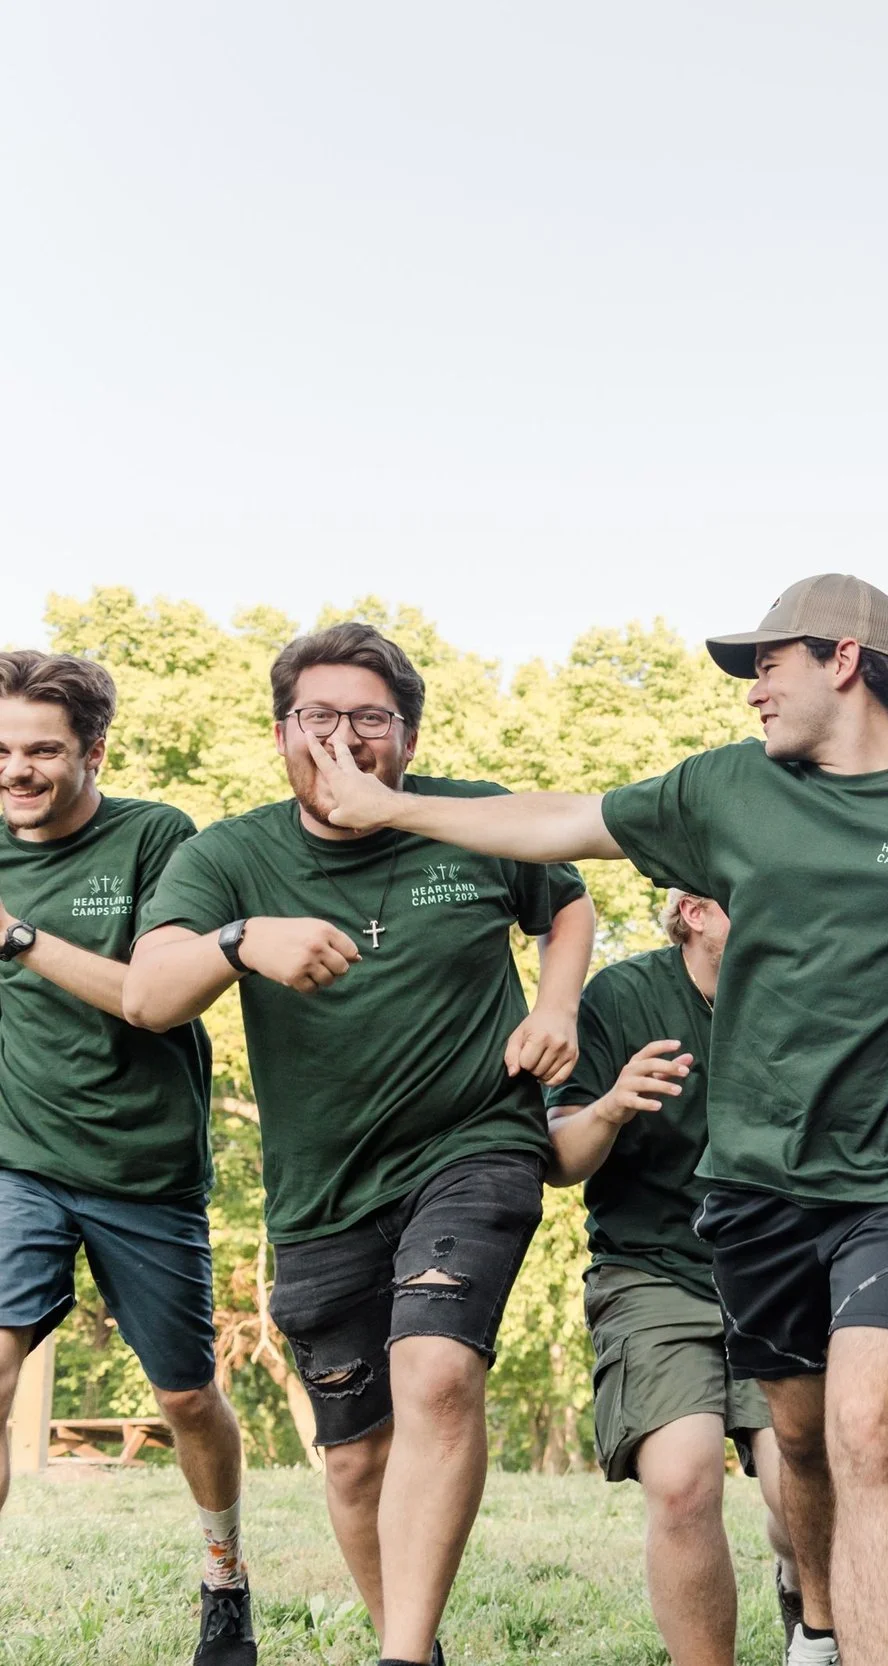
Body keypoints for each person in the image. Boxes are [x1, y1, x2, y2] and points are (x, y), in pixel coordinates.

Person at [293, 574, 888, 1666]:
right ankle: (817, 1613)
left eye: (767, 666)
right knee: (801, 1437)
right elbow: (561, 821)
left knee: (870, 1427)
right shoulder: (729, 790)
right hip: (758, 1182)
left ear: (843, 659)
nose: (751, 693)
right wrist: (393, 807)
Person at [123, 623, 595, 1666]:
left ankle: (397, 1659)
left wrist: (557, 1007)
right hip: (322, 1190)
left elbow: (567, 901)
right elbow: (147, 995)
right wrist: (241, 942)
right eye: (319, 715)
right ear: (282, 733)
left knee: (434, 1367)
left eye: (370, 717)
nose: (345, 736)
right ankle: (413, 1646)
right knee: (354, 1463)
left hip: (475, 1141)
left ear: (409, 737)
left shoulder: (464, 815)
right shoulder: (231, 857)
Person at [544, 888, 888, 1666]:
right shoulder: (624, 997)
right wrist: (613, 1107)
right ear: (694, 913)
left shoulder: (823, 995)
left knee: (802, 1483)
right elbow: (558, 1157)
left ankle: (811, 1607)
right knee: (685, 1479)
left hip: (790, 1270)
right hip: (657, 1273)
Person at [0, 651, 256, 1665]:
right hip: (17, 1159)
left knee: (186, 1395)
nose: (15, 769)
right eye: (2, 750)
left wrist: (16, 936)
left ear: (94, 751)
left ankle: (224, 1568)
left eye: (41, 751)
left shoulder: (157, 839)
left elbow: (153, 995)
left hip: (144, 1166)